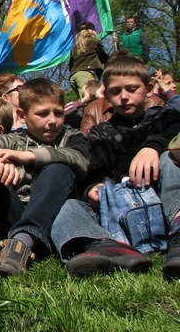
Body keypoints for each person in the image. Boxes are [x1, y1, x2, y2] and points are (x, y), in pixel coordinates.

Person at [51, 52, 180, 277]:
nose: (124, 97)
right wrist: (92, 188)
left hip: (163, 201)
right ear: (106, 95)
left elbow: (172, 129)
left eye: (132, 89)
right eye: (115, 91)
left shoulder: (165, 117)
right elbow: (93, 171)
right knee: (70, 207)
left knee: (171, 160)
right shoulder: (101, 133)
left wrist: (152, 147)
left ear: (148, 88)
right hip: (123, 209)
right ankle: (105, 246)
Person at [0, 78, 89, 276]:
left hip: (48, 219)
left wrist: (31, 156)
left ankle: (22, 245)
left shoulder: (72, 137)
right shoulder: (15, 139)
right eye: (42, 114)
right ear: (22, 116)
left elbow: (79, 158)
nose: (52, 120)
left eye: (58, 113)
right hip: (14, 211)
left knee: (58, 166)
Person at [69, 22, 108, 98]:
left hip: (74, 76)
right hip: (86, 75)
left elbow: (70, 65)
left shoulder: (74, 48)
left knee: (87, 101)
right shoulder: (94, 42)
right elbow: (104, 58)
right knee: (93, 100)